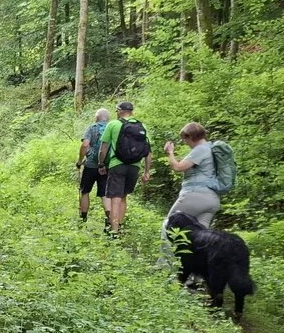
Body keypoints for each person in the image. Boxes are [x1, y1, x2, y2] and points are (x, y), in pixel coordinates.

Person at [96, 101, 151, 235]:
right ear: (131, 111)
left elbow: (103, 148)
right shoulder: (141, 125)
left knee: (115, 198)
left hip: (117, 165)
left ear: (119, 111)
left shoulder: (113, 124)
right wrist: (147, 171)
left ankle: (114, 232)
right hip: (134, 166)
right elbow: (148, 151)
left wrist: (101, 163)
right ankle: (119, 225)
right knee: (123, 197)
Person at [162, 122, 220, 228]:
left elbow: (178, 167)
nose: (185, 142)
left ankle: (165, 245)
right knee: (200, 237)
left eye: (185, 139)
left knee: (169, 225)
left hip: (196, 195)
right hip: (212, 199)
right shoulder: (211, 148)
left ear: (191, 136)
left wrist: (170, 152)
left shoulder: (201, 149)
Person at [76, 108, 112, 225]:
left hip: (91, 165)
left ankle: (83, 219)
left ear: (97, 118)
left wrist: (80, 161)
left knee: (85, 191)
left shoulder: (92, 128)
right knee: (104, 193)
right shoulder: (113, 128)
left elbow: (85, 144)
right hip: (106, 166)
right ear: (108, 118)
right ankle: (109, 220)